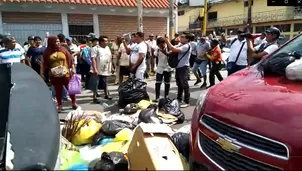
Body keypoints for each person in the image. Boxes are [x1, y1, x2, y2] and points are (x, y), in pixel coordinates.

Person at [40, 36, 78, 112]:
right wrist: (42, 73)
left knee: (71, 89)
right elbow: (43, 63)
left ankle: (74, 103)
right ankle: (59, 105)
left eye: (58, 41)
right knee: (58, 91)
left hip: (66, 73)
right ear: (51, 43)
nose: (58, 43)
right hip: (54, 74)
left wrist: (73, 68)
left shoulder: (63, 50)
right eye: (55, 42)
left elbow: (70, 59)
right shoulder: (47, 52)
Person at [165, 33, 191, 108]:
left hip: (184, 68)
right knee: (179, 84)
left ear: (187, 39)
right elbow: (171, 48)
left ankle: (187, 101)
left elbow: (173, 49)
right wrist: (168, 42)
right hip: (178, 68)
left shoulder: (187, 46)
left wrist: (167, 41)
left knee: (184, 84)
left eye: (183, 37)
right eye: (181, 37)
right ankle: (179, 99)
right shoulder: (180, 45)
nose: (181, 38)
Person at [90, 36, 112, 103]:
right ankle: (95, 97)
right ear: (101, 42)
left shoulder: (107, 48)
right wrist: (95, 69)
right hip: (97, 68)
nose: (107, 42)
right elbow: (93, 59)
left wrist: (112, 67)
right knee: (96, 83)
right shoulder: (95, 48)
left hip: (105, 68)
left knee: (105, 82)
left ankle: (106, 94)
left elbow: (109, 58)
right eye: (105, 41)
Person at [154, 37, 172, 101]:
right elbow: (155, 55)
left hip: (168, 68)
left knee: (167, 83)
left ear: (165, 43)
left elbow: (170, 55)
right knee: (158, 83)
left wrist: (165, 52)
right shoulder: (157, 49)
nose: (161, 46)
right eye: (159, 44)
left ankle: (166, 96)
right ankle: (157, 97)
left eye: (162, 44)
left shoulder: (169, 48)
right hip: (160, 68)